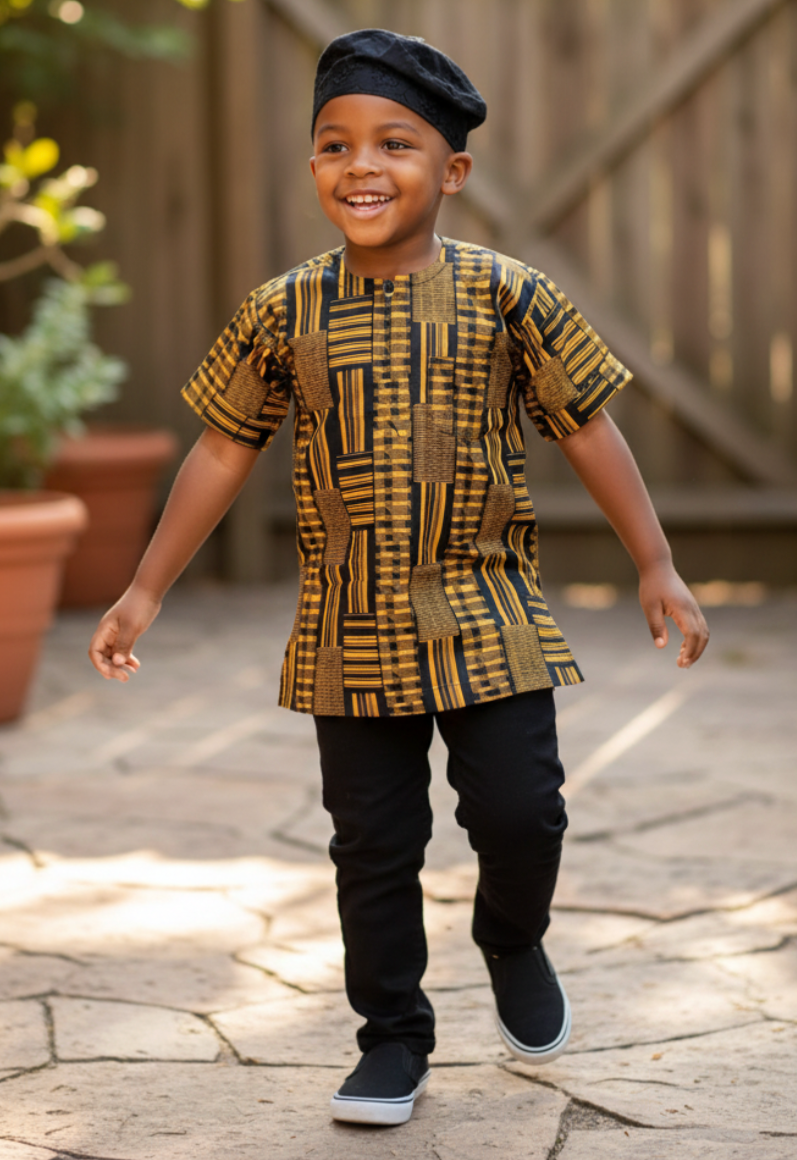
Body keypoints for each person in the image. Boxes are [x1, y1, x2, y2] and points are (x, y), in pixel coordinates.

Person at [89, 28, 709, 1128]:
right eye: (334, 143)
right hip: (347, 624)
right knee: (372, 843)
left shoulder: (510, 295)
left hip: (488, 612)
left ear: (451, 170)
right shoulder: (282, 310)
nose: (360, 165)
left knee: (521, 815)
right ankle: (390, 1034)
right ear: (312, 164)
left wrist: (653, 560)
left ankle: (511, 936)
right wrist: (146, 586)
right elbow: (223, 446)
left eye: (394, 143)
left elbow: (586, 425)